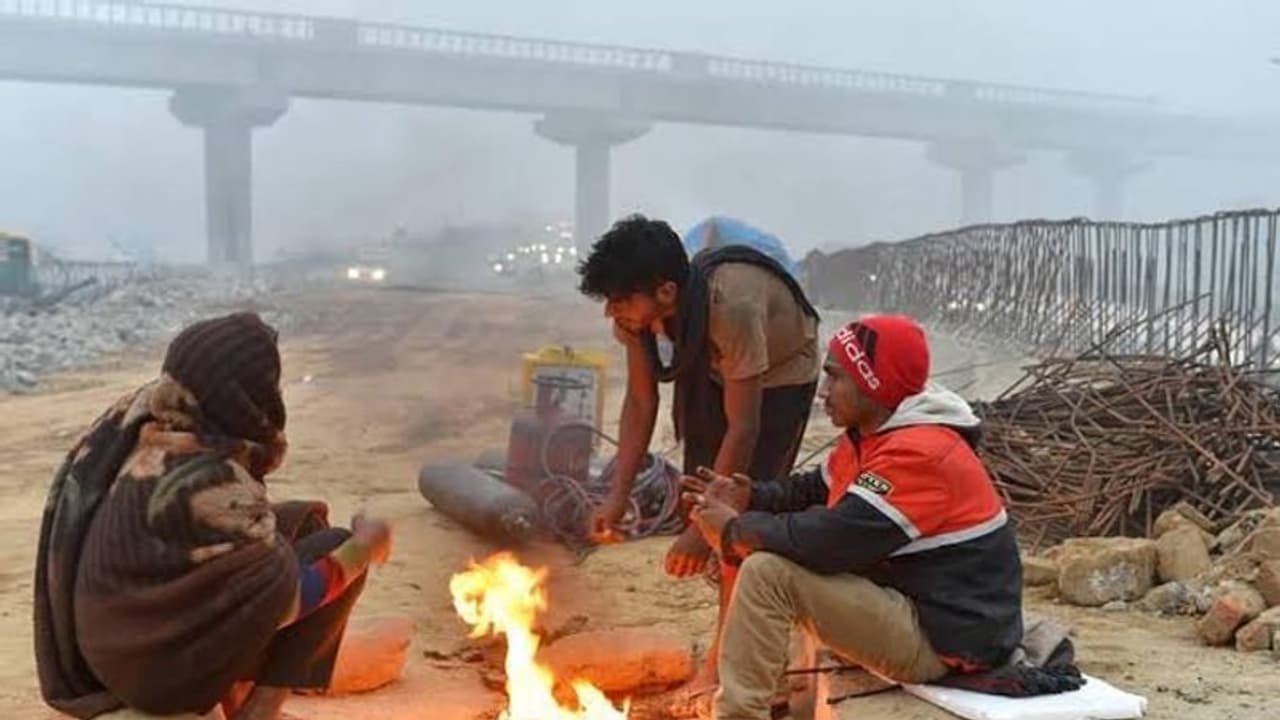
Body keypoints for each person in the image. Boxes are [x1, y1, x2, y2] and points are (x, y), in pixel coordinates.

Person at [683, 314, 1082, 720]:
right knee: (778, 556)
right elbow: (814, 489)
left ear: (872, 385)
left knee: (769, 572)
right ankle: (788, 699)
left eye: (835, 377)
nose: (823, 391)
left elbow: (832, 541)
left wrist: (734, 530)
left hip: (943, 641)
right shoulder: (877, 434)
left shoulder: (921, 452)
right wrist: (752, 495)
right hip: (923, 609)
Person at [33, 312, 393, 720]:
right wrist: (366, 546)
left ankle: (238, 693)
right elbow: (284, 604)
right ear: (245, 393)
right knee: (338, 547)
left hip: (115, 640)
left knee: (303, 521)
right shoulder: (211, 481)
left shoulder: (144, 424)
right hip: (157, 679)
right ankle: (260, 709)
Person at [576, 214, 821, 694]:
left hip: (778, 377)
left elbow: (744, 428)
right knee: (704, 501)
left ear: (666, 292)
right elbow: (641, 403)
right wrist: (616, 496)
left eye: (620, 300)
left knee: (738, 525)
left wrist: (698, 529)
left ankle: (725, 669)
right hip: (713, 368)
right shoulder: (638, 317)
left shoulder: (732, 307)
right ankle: (734, 635)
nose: (612, 313)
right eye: (608, 301)